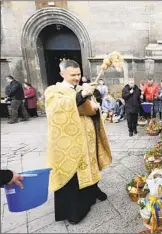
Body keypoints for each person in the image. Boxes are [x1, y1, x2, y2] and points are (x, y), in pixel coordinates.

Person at [44, 60, 112, 224]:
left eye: (78, 74)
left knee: (91, 164)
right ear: (62, 74)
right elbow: (56, 109)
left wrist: (94, 105)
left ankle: (92, 191)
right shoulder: (53, 91)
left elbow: (93, 107)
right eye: (72, 75)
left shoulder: (82, 88)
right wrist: (80, 96)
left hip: (88, 139)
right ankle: (75, 210)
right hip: (69, 143)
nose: (76, 78)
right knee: (73, 173)